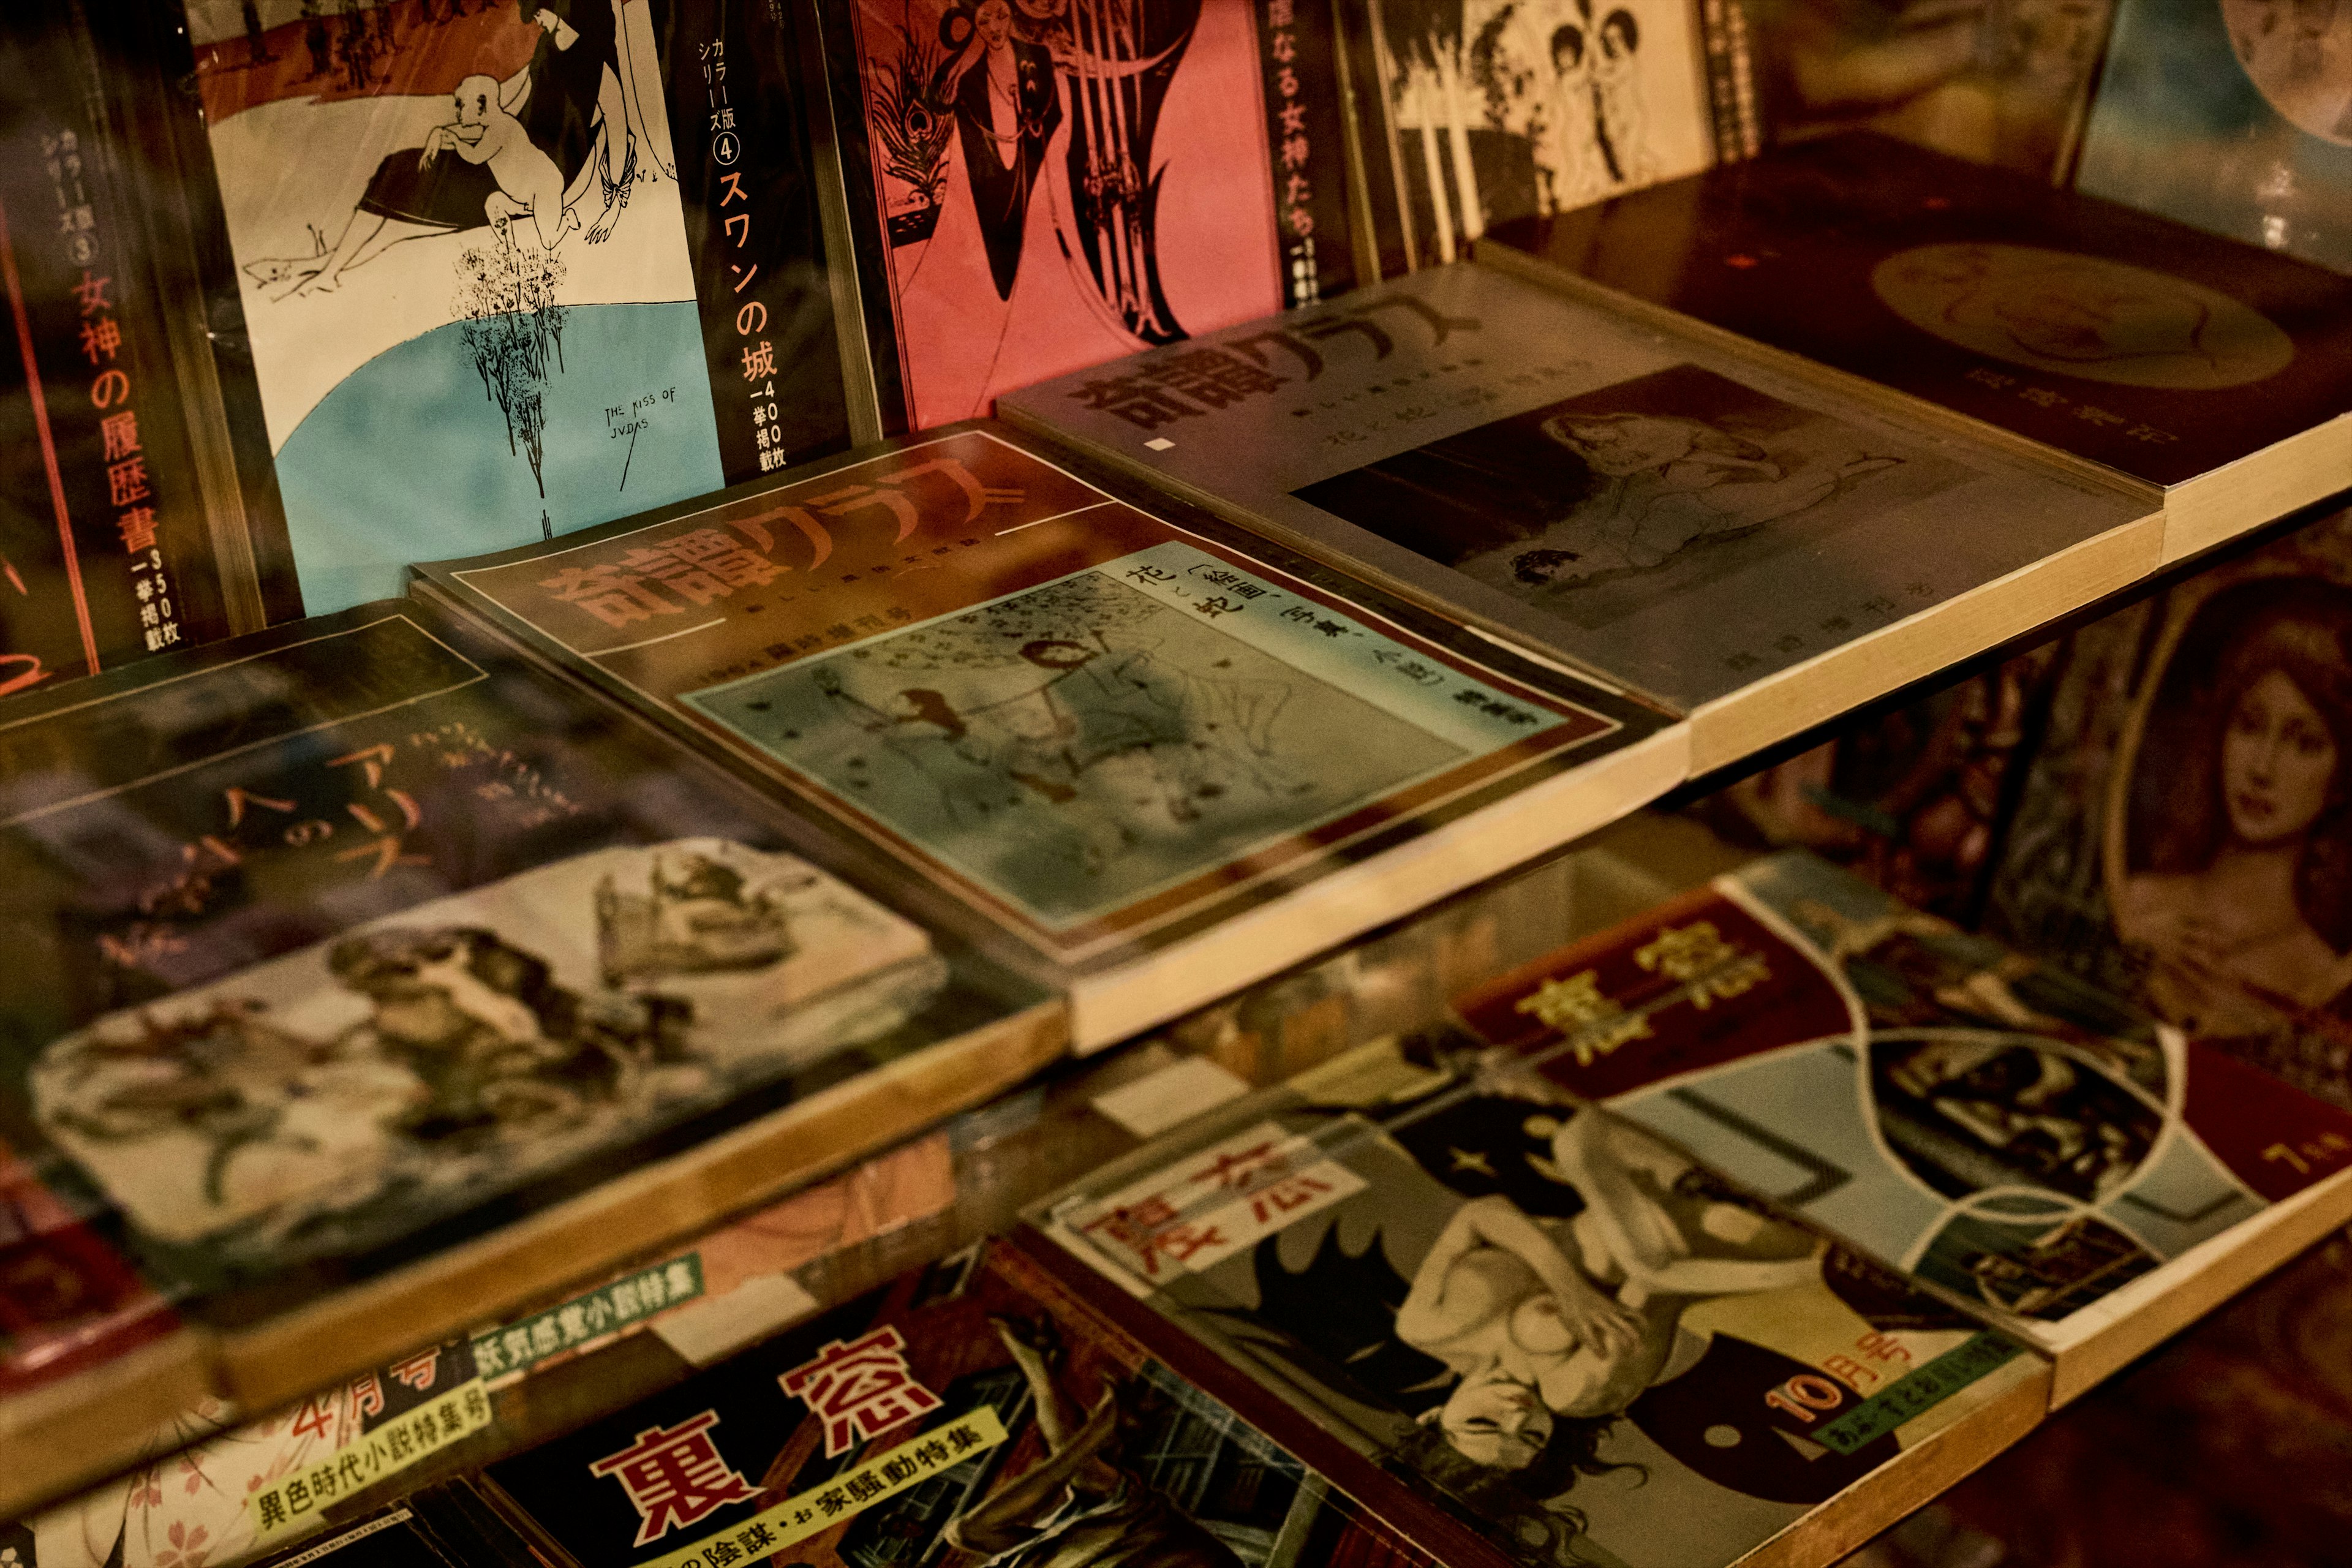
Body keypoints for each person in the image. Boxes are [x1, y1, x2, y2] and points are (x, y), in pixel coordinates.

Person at [2116, 587, 2352, 1033]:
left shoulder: (2313, 970)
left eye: (2305, 743)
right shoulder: (2141, 902)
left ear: (2341, 782)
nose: (2262, 768)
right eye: (2250, 725)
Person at [936, 0, 1063, 300]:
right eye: (985, 21)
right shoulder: (969, 81)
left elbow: (1055, 116)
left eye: (1002, 17)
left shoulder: (1038, 57)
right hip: (992, 197)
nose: (995, 28)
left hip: (1044, 181)